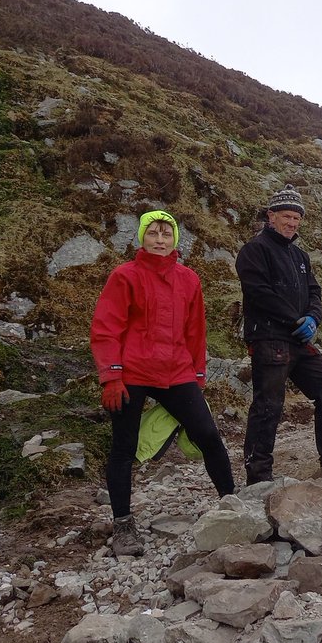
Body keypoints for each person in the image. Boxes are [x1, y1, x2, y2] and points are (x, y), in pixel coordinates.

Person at [91, 209, 235, 557]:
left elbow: (195, 331)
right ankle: (123, 524)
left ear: (174, 240)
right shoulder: (124, 276)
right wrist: (111, 376)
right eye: (153, 233)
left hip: (177, 372)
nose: (159, 240)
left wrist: (198, 374)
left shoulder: (188, 279)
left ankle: (233, 504)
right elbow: (106, 327)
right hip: (132, 373)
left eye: (166, 234)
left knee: (209, 436)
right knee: (123, 448)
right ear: (142, 237)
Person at [235, 185, 322, 485]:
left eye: (297, 218)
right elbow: (258, 293)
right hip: (269, 339)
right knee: (268, 405)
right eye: (287, 216)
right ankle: (258, 478)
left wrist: (313, 317)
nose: (292, 223)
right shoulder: (254, 250)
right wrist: (295, 318)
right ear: (271, 216)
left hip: (300, 340)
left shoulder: (299, 255)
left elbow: (314, 290)